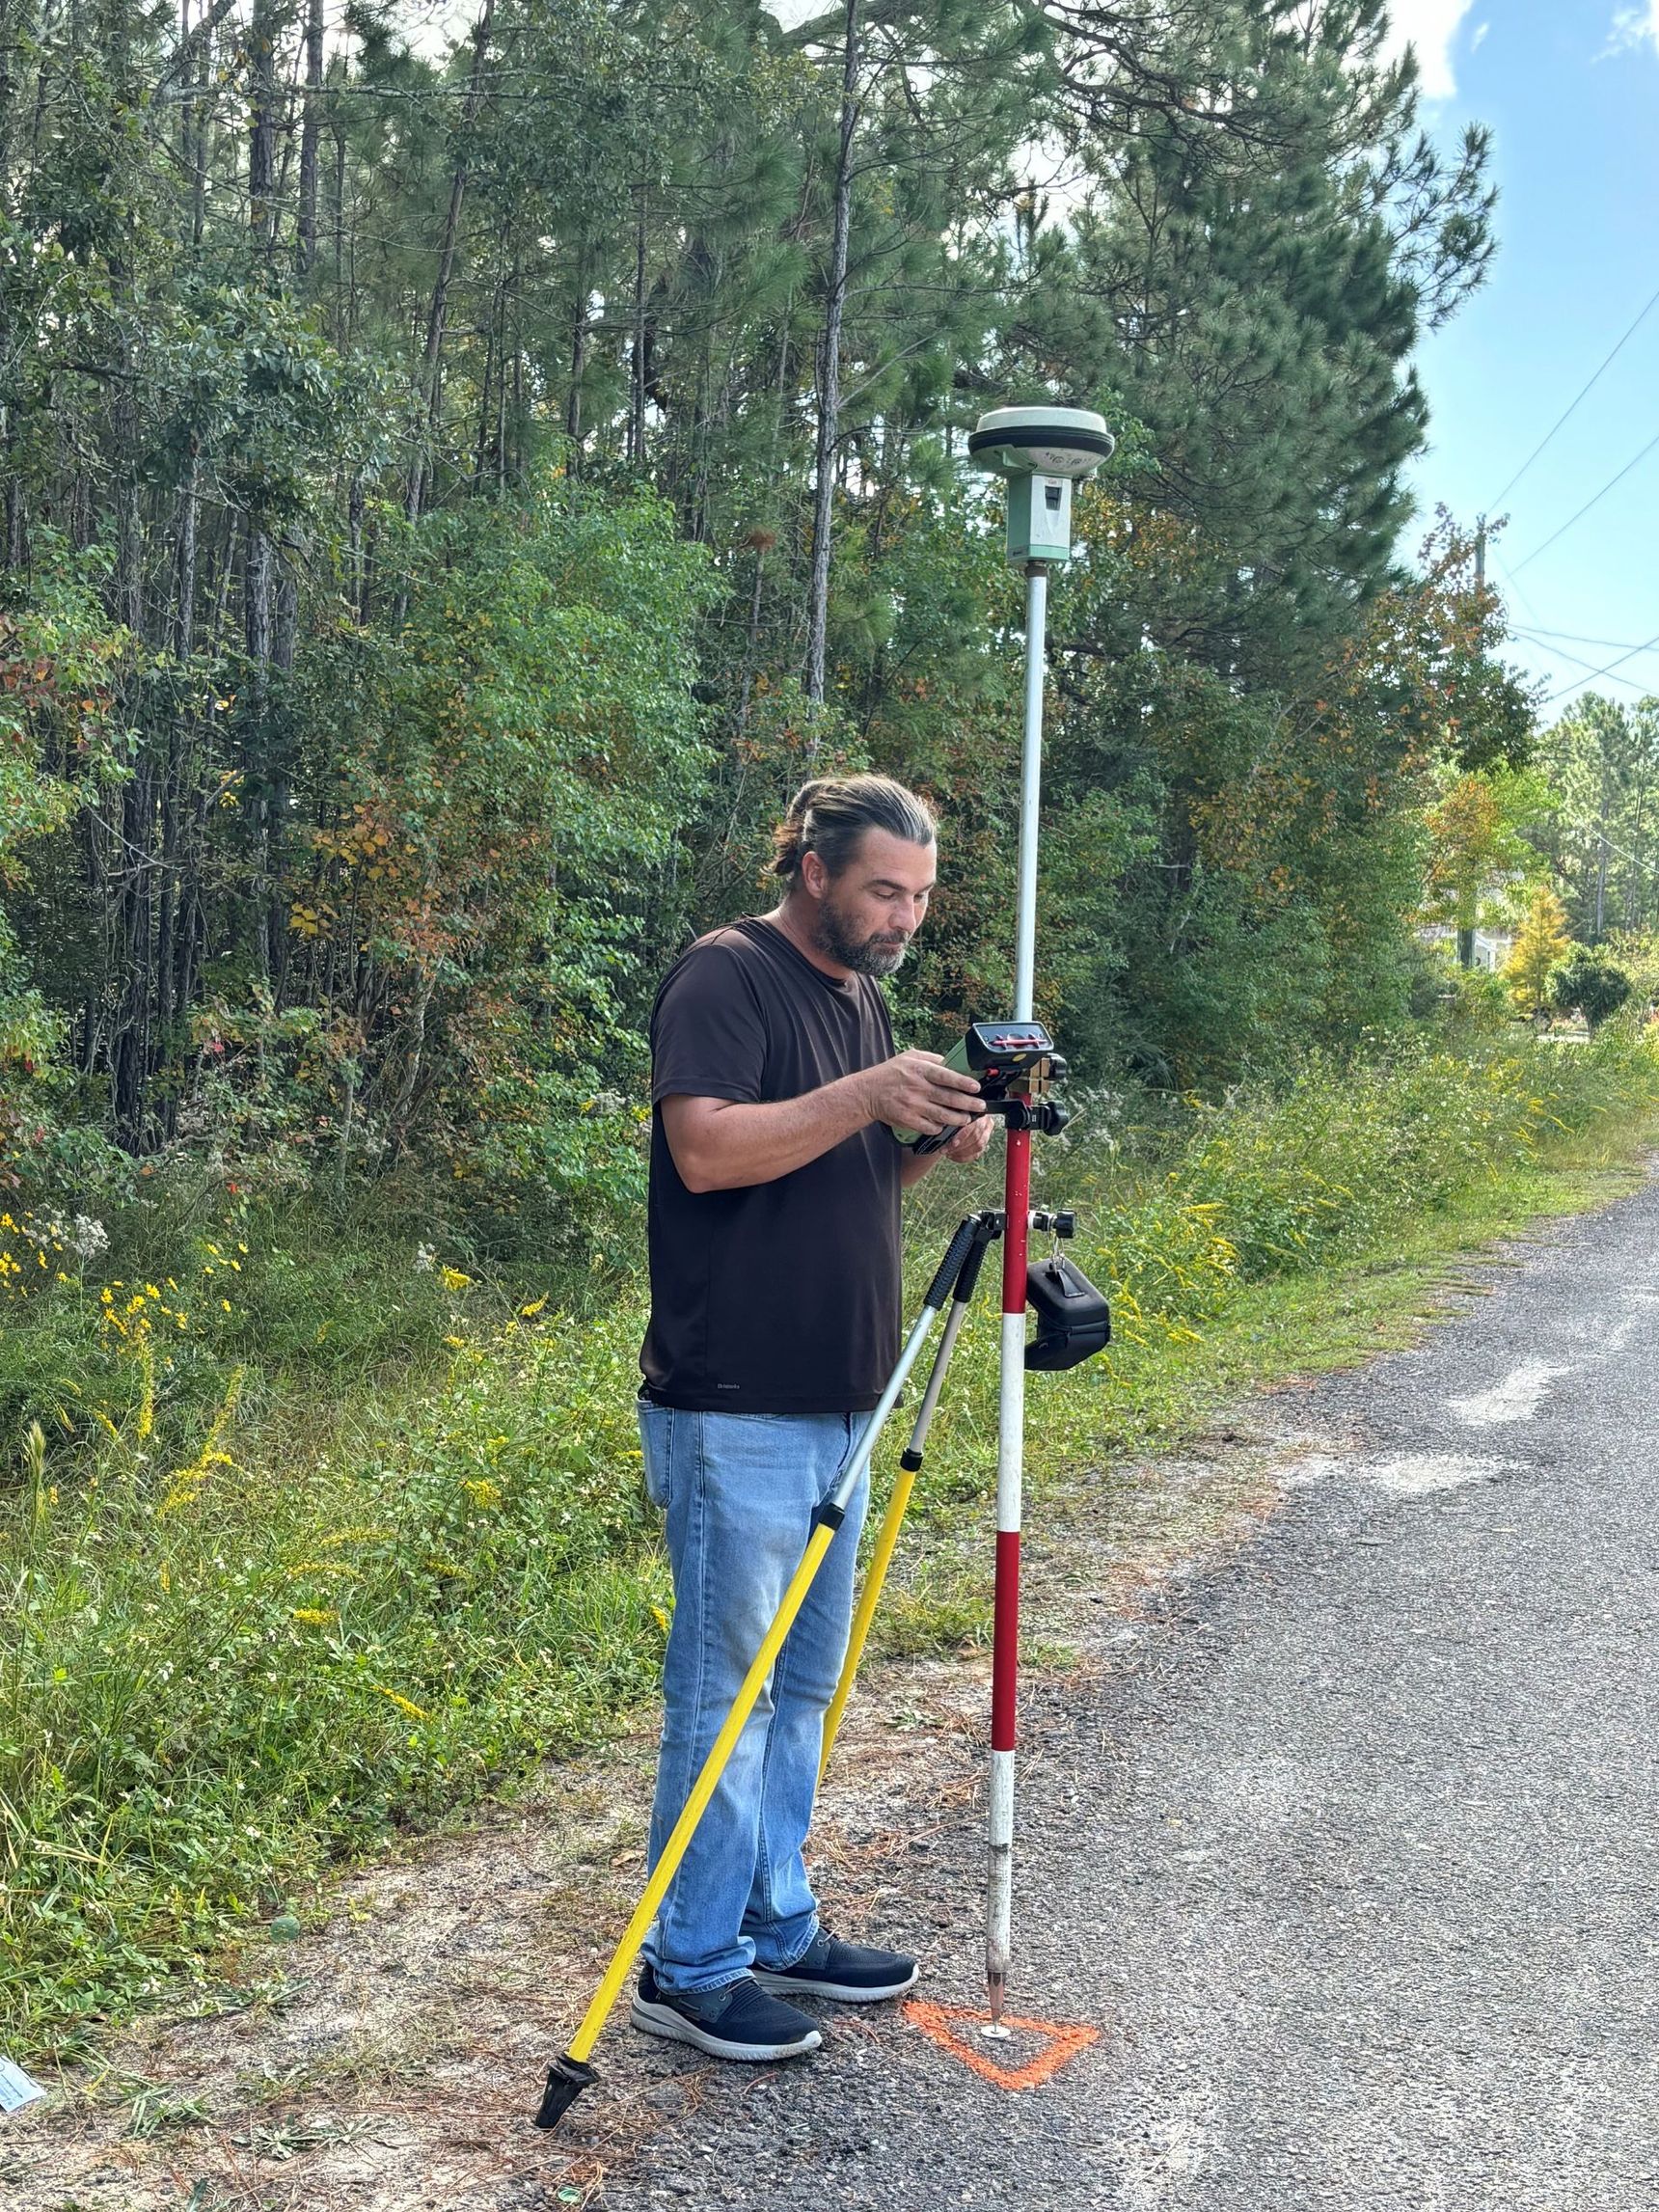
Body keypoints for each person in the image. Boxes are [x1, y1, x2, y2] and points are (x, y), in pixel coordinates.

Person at [632, 773, 993, 2065]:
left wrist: (924, 1140)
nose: (902, 915)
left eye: (919, 896)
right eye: (883, 889)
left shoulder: (864, 1000)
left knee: (802, 1687)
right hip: (737, 1404)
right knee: (724, 1694)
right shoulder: (725, 976)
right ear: (813, 868)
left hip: (845, 1394)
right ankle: (690, 1960)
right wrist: (868, 1093)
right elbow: (711, 1151)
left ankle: (774, 1918)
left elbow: (834, 1166)